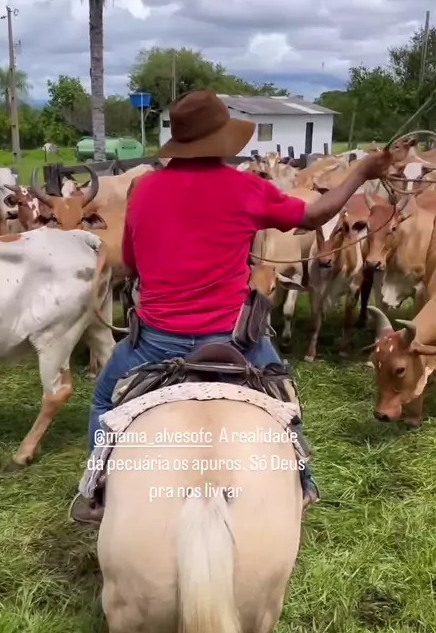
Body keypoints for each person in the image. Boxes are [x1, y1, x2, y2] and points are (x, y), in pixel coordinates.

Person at [70, 89, 393, 524]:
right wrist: (364, 170)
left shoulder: (143, 190)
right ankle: (303, 482)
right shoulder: (246, 187)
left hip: (154, 343)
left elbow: (131, 264)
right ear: (221, 141)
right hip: (234, 341)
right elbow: (316, 215)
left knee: (102, 400)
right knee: (284, 395)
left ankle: (95, 493)